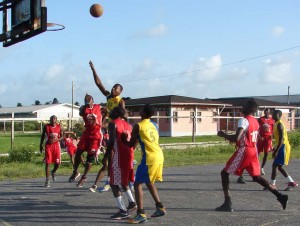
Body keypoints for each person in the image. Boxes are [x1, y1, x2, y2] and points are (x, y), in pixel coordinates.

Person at [216, 100, 288, 212]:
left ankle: (227, 203)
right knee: (256, 177)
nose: (242, 106)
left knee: (224, 173)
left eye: (244, 105)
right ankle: (280, 196)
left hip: (245, 150)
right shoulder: (255, 121)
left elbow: (237, 138)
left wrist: (223, 134)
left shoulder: (243, 120)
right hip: (253, 151)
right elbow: (254, 135)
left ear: (248, 108)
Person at [123, 104, 166, 224]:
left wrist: (123, 138)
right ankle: (160, 207)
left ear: (143, 113)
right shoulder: (155, 125)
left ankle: (141, 213)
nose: (139, 110)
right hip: (159, 155)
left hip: (149, 158)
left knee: (137, 184)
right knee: (149, 182)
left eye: (141, 109)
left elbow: (131, 144)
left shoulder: (138, 126)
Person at [89, 60, 126, 192]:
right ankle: (110, 179)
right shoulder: (109, 97)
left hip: (117, 128)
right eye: (113, 87)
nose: (112, 89)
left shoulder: (120, 101)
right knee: (110, 154)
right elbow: (99, 84)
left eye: (116, 88)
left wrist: (109, 112)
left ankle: (111, 180)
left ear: (120, 91)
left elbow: (123, 115)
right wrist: (93, 69)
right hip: (109, 128)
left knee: (111, 154)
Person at [105, 106, 137, 220]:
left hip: (119, 157)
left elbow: (112, 141)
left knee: (113, 183)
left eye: (112, 110)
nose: (110, 111)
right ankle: (132, 202)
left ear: (116, 113)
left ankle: (123, 211)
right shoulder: (128, 125)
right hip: (128, 156)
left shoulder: (113, 123)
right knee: (123, 182)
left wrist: (105, 156)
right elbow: (134, 141)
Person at [68, 94, 103, 187]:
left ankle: (84, 177)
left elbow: (106, 110)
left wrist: (106, 115)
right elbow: (81, 112)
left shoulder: (98, 107)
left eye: (89, 99)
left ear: (93, 100)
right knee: (78, 152)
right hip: (86, 134)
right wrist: (85, 105)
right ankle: (75, 171)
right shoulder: (83, 109)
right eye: (86, 100)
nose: (88, 101)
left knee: (90, 158)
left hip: (95, 136)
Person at [269, 110, 298, 191]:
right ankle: (291, 182)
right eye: (273, 113)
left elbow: (281, 140)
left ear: (279, 115)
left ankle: (273, 185)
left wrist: (276, 151)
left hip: (283, 146)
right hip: (281, 146)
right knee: (279, 167)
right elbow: (278, 139)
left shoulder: (280, 125)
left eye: (276, 114)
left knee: (275, 165)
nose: (273, 115)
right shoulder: (276, 124)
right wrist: (275, 147)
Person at [40, 115, 63, 187]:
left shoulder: (59, 127)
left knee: (58, 162)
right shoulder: (46, 127)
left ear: (56, 120)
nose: (53, 119)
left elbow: (63, 136)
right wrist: (40, 144)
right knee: (48, 162)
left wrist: (57, 139)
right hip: (48, 145)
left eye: (54, 118)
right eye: (51, 118)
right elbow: (43, 135)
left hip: (56, 146)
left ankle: (53, 171)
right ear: (49, 120)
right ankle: (47, 180)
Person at [257, 108, 275, 175]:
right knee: (257, 153)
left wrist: (272, 136)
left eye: (267, 111)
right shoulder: (260, 119)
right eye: (265, 111)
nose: (266, 112)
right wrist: (259, 136)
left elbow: (273, 130)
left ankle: (262, 168)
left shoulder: (272, 120)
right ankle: (256, 166)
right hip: (261, 138)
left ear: (270, 112)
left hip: (268, 138)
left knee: (266, 153)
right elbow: (256, 128)